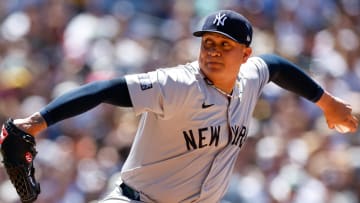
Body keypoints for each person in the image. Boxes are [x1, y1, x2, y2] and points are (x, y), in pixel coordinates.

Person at [2, 10, 358, 203]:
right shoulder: (179, 83)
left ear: (245, 54)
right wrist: (36, 122)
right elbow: (104, 89)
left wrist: (327, 103)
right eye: (208, 43)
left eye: (225, 45)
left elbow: (277, 66)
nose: (214, 51)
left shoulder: (252, 76)